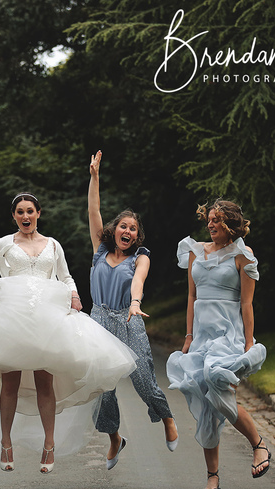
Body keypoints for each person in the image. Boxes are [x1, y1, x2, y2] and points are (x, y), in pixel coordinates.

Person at [0, 192, 137, 474]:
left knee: (45, 382)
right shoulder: (4, 244)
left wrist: (74, 295)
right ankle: (6, 443)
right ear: (14, 216)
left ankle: (49, 444)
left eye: (30, 211)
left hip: (47, 320)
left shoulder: (53, 245)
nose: (25, 216)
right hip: (12, 320)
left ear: (38, 214)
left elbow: (66, 276)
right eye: (20, 212)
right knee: (9, 383)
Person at [166, 200, 269, 489]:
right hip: (201, 337)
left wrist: (248, 343)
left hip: (228, 335)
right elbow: (191, 296)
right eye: (209, 219)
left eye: (217, 220)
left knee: (215, 378)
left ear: (230, 224)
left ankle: (258, 444)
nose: (210, 225)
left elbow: (247, 303)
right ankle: (212, 476)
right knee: (206, 400)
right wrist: (188, 336)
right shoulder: (194, 251)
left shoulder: (243, 255)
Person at [87, 151, 178, 470]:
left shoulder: (141, 257)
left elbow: (138, 281)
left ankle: (166, 417)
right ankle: (114, 438)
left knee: (143, 380)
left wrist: (136, 303)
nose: (128, 231)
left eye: (133, 229)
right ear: (115, 230)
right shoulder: (100, 251)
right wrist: (95, 177)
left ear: (137, 236)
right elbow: (94, 210)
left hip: (128, 318)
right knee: (102, 388)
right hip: (98, 321)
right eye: (123, 226)